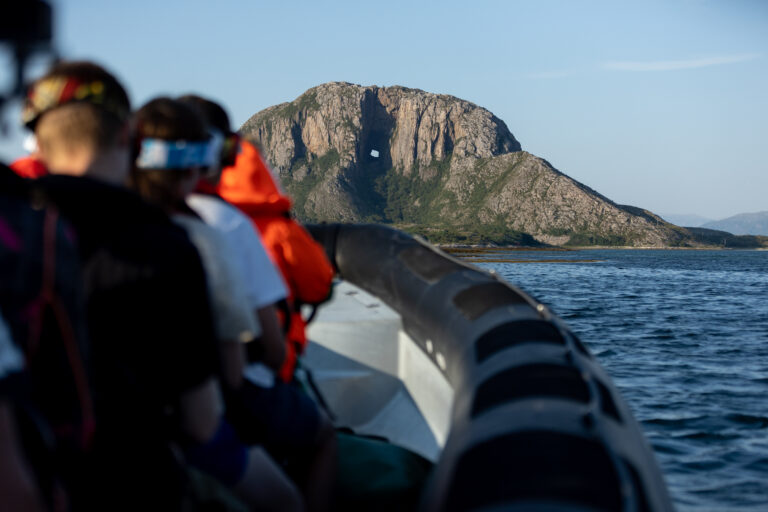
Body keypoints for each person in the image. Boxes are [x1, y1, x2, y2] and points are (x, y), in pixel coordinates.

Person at [24, 60, 301, 511]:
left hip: (34, 467)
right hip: (137, 474)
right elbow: (200, 421)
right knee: (286, 501)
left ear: (38, 144)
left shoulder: (16, 230)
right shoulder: (167, 246)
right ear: (123, 139)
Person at [134, 96, 334, 512]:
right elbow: (251, 356)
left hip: (127, 409)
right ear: (212, 157)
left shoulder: (114, 223)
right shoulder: (218, 230)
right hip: (211, 409)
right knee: (316, 448)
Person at [215, 124, 335, 383]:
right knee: (323, 424)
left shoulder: (199, 220)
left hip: (209, 374)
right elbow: (319, 287)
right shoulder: (281, 230)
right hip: (271, 371)